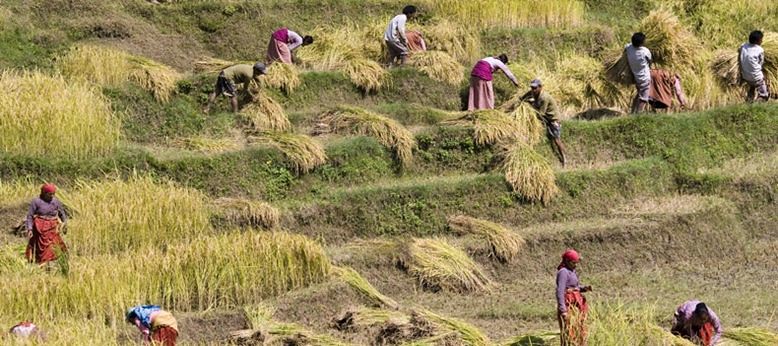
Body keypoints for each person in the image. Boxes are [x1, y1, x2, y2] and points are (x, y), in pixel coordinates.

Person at [520, 79, 567, 167]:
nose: (533, 90)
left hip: (553, 120)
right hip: (546, 118)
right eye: (532, 88)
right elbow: (525, 96)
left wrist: (531, 104)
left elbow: (540, 113)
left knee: (556, 140)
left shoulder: (544, 98)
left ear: (540, 87)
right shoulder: (534, 93)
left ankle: (564, 158)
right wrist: (522, 99)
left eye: (535, 88)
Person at [25, 183, 68, 265]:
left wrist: (65, 223)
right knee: (40, 247)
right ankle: (40, 262)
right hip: (39, 228)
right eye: (49, 194)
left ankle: (53, 262)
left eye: (53, 194)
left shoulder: (56, 202)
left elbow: (62, 214)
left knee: (54, 246)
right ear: (44, 193)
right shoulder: (36, 201)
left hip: (52, 228)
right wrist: (29, 229)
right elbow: (30, 216)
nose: (51, 196)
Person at [556, 249, 592, 346]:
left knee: (579, 327)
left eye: (576, 263)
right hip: (569, 305)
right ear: (567, 261)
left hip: (577, 304)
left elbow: (574, 287)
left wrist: (583, 289)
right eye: (573, 262)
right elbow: (560, 291)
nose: (575, 265)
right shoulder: (563, 272)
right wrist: (563, 310)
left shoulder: (572, 271)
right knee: (569, 330)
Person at [625, 32, 652, 113]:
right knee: (644, 98)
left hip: (636, 77)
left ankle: (632, 111)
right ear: (642, 43)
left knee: (639, 95)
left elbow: (625, 46)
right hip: (645, 78)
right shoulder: (645, 51)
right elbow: (650, 61)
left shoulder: (629, 48)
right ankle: (638, 114)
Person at [739, 30, 769, 102]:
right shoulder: (760, 50)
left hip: (745, 76)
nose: (762, 41)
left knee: (752, 84)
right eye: (761, 39)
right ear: (758, 41)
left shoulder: (744, 46)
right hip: (756, 77)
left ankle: (750, 97)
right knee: (762, 84)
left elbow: (739, 49)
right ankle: (762, 97)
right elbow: (761, 63)